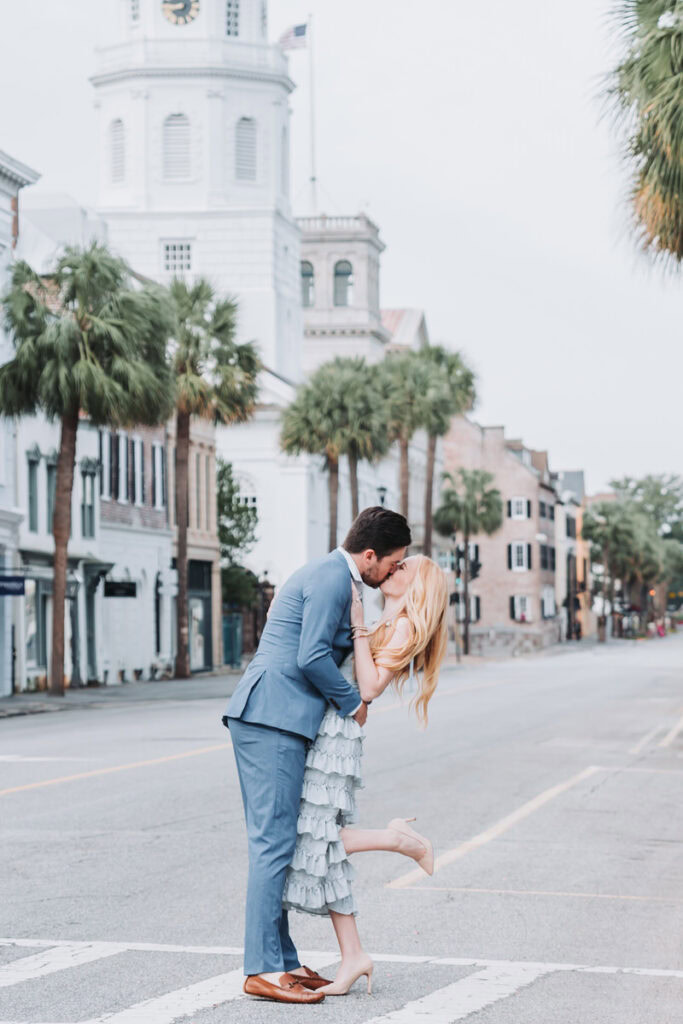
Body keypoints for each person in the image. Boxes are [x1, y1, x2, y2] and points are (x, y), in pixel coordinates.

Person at [223, 507, 411, 1005]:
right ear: (369, 556)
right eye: (393, 564)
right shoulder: (333, 579)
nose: (393, 572)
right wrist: (354, 705)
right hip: (272, 717)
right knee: (272, 844)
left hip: (275, 717)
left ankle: (282, 961)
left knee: (278, 841)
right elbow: (310, 656)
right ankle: (262, 968)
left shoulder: (331, 576)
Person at [283, 553, 449, 996]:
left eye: (403, 568)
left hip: (339, 737)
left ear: (417, 587)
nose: (394, 569)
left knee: (315, 838)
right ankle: (353, 955)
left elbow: (370, 687)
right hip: (328, 728)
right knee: (323, 845)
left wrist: (357, 625)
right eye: (396, 564)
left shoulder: (406, 626)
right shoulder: (386, 620)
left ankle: (400, 840)